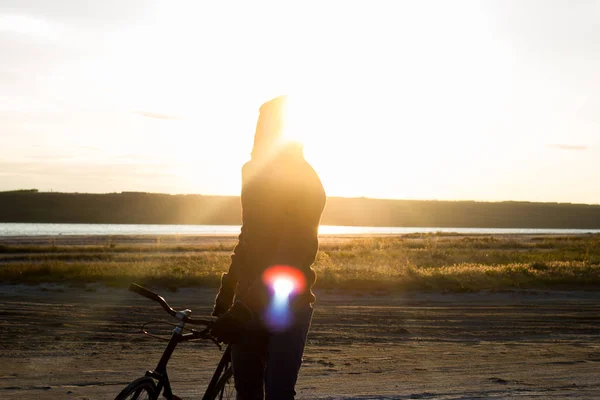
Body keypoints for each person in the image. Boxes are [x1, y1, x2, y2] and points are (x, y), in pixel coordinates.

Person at [210, 95, 326, 400]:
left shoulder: (306, 182)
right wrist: (227, 291)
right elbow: (247, 237)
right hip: (246, 303)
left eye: (265, 128)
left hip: (288, 305)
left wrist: (244, 306)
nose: (257, 135)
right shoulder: (252, 172)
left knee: (277, 393)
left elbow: (291, 256)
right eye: (257, 127)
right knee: (246, 392)